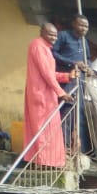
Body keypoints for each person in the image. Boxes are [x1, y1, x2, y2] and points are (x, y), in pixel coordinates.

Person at [22, 24, 74, 168]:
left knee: (51, 128)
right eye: (51, 34)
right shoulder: (38, 46)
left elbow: (50, 74)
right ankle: (42, 162)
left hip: (47, 93)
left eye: (55, 35)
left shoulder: (46, 49)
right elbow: (46, 74)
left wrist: (67, 76)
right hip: (40, 93)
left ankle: (51, 161)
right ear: (42, 32)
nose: (54, 38)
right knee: (42, 129)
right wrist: (61, 92)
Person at [51, 15, 90, 153]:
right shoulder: (63, 36)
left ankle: (69, 145)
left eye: (86, 27)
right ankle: (62, 145)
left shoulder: (84, 42)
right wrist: (72, 63)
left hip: (79, 81)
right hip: (65, 79)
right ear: (74, 24)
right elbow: (53, 53)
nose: (84, 29)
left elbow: (88, 60)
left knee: (75, 113)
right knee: (65, 110)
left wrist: (88, 68)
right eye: (81, 25)